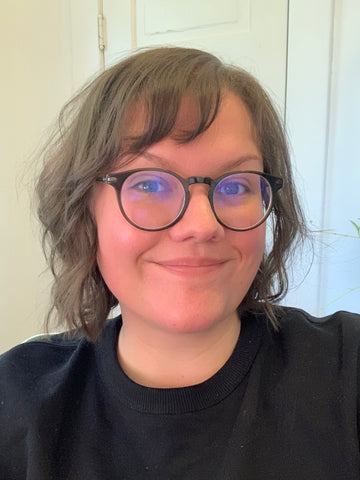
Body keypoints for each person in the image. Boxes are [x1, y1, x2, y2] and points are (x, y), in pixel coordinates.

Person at [0, 46, 359, 480]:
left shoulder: (346, 370)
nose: (202, 225)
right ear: (83, 213)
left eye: (236, 186)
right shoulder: (15, 398)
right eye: (149, 183)